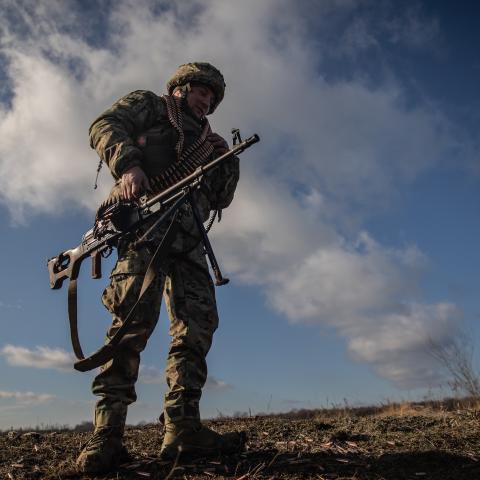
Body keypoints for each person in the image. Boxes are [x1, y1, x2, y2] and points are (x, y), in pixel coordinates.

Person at [76, 62, 245, 474]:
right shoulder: (149, 106)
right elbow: (104, 125)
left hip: (189, 243)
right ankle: (107, 436)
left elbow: (221, 200)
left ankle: (183, 430)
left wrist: (227, 162)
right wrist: (130, 165)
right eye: (201, 92)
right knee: (129, 328)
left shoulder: (212, 141)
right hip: (145, 233)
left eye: (212, 97)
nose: (207, 101)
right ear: (182, 88)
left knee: (197, 327)